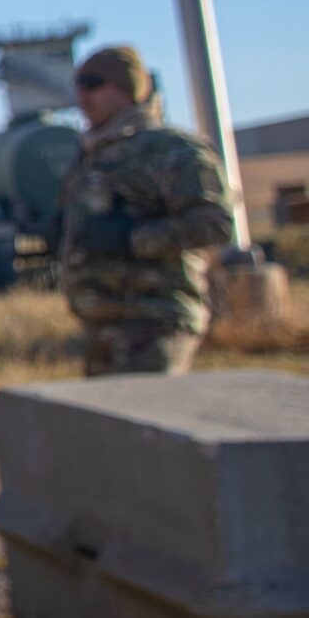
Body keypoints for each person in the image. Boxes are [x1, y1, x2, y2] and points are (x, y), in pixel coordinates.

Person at [58, 42, 236, 375]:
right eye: (78, 84)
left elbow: (216, 222)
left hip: (154, 321)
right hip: (101, 324)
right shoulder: (91, 153)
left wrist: (133, 239)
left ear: (127, 88)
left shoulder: (170, 149)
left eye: (94, 83)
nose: (82, 95)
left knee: (149, 421)